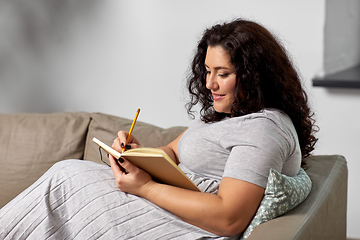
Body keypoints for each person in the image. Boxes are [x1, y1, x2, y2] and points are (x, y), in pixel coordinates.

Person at [0, 18, 317, 239]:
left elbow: (228, 218)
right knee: (65, 176)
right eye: (207, 71)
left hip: (176, 222)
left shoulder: (263, 129)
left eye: (223, 73)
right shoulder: (233, 116)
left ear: (254, 74)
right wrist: (140, 154)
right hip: (159, 203)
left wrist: (143, 188)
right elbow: (171, 152)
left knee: (65, 178)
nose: (209, 84)